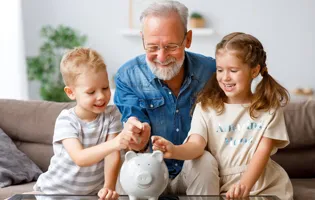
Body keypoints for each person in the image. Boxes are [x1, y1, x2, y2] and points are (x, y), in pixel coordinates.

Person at [152, 32, 294, 199]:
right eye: (220, 70)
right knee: (202, 161)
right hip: (215, 182)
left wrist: (243, 186)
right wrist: (174, 150)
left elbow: (262, 153)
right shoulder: (206, 107)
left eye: (233, 70)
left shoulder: (268, 109)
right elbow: (196, 146)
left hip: (258, 185)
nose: (225, 77)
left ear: (254, 70)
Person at [114, 0, 217, 195]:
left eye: (171, 46)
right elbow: (133, 118)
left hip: (192, 167)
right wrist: (137, 137)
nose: (161, 57)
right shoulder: (127, 76)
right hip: (148, 169)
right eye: (152, 47)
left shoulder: (212, 72)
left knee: (205, 161)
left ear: (188, 40)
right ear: (142, 40)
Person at [33, 47, 139, 199]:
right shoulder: (66, 120)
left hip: (88, 194)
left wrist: (108, 188)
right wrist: (116, 143)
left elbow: (112, 156)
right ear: (71, 92)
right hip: (54, 193)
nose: (101, 96)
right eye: (91, 92)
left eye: (105, 88)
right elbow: (80, 158)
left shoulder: (112, 115)